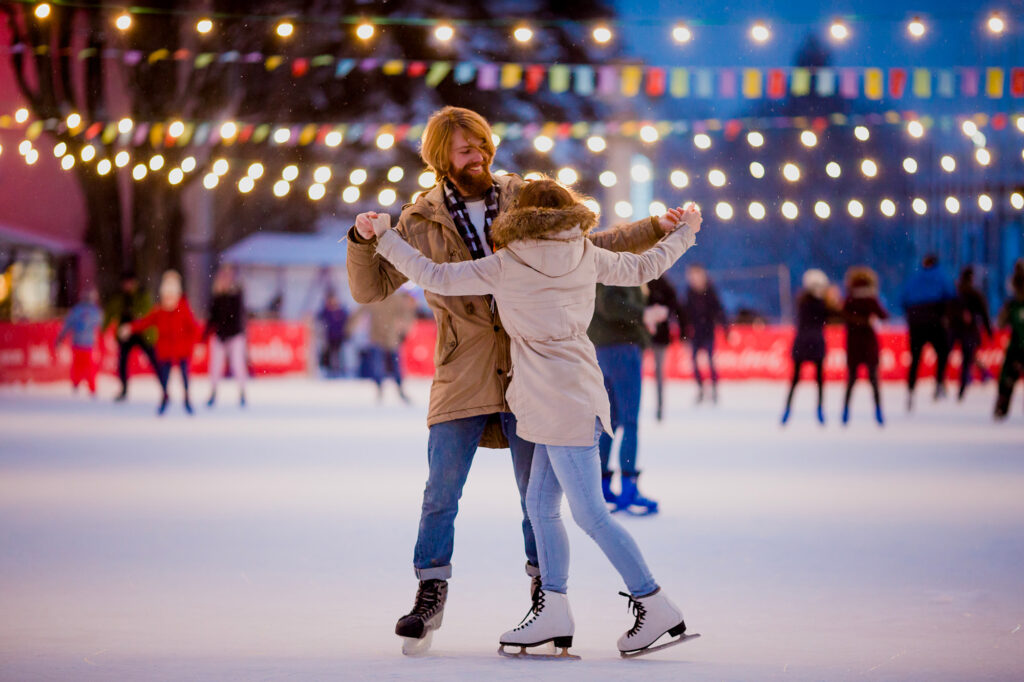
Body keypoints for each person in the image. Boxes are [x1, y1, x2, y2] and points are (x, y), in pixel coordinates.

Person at [347, 106, 686, 654]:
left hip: (533, 380)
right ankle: (452, 592)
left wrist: (655, 228)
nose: (478, 155)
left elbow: (598, 245)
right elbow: (373, 290)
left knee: (556, 506)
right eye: (465, 149)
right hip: (470, 369)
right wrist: (367, 240)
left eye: (482, 144)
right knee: (461, 494)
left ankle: (576, 596)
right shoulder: (420, 219)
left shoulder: (522, 203)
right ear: (441, 158)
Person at [589, 284, 658, 515]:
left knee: (611, 421)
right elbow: (609, 304)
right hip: (621, 348)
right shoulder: (617, 264)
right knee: (628, 421)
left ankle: (602, 487)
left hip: (603, 348)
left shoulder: (600, 260)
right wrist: (643, 313)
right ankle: (628, 488)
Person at [120, 270, 200, 416]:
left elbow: (193, 328)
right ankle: (165, 397)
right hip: (165, 350)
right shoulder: (159, 311)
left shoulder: (183, 308)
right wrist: (130, 328)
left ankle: (187, 399)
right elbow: (145, 322)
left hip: (182, 349)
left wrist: (197, 344)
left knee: (184, 375)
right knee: (163, 376)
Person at [782, 269, 838, 425]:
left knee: (796, 380)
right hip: (815, 344)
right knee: (818, 380)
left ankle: (788, 409)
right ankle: (819, 410)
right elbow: (834, 316)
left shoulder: (802, 302)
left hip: (802, 344)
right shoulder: (818, 304)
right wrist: (832, 300)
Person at [901, 254, 955, 409]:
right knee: (943, 352)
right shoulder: (941, 275)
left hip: (916, 319)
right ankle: (939, 383)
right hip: (934, 318)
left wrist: (911, 316)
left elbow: (903, 298)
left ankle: (911, 390)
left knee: (915, 358)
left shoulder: (914, 277)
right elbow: (951, 295)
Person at [350, 287, 418, 403]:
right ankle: (382, 389)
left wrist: (404, 329)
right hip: (381, 337)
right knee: (381, 365)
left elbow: (406, 314)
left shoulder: (388, 299)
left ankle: (396, 389)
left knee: (391, 365)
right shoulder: (380, 298)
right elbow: (360, 312)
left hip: (389, 337)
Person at [841, 267, 888, 426]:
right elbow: (884, 315)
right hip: (869, 343)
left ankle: (845, 411)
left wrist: (856, 320)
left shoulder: (849, 299)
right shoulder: (871, 300)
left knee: (851, 379)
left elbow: (843, 317)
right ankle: (878, 411)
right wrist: (867, 320)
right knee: (874, 380)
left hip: (853, 343)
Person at [104, 271, 159, 401]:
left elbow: (146, 311)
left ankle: (163, 386)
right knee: (122, 362)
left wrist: (133, 315)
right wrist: (104, 328)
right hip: (125, 333)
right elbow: (110, 312)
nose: (127, 286)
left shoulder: (142, 295)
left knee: (154, 359)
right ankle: (123, 389)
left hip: (142, 333)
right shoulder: (119, 297)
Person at [644, 276, 687, 422]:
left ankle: (658, 408)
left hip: (653, 337)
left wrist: (683, 333)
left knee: (657, 374)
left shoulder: (663, 286)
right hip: (644, 337)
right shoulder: (647, 283)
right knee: (656, 374)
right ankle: (655, 407)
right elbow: (678, 310)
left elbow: (677, 310)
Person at [204, 265, 248, 407]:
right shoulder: (217, 297)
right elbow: (212, 318)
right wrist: (204, 336)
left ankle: (242, 392)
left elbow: (236, 319)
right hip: (220, 335)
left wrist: (228, 333)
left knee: (237, 363)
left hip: (234, 335)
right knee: (215, 365)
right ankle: (213, 391)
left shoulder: (236, 296)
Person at [683, 265, 727, 404]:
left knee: (710, 361)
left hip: (708, 332)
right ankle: (701, 388)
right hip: (695, 333)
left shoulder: (710, 291)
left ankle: (714, 388)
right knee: (694, 362)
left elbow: (719, 310)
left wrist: (726, 328)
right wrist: (684, 332)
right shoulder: (689, 293)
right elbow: (685, 314)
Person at [950, 266, 993, 401]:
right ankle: (965, 383)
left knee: (954, 355)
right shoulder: (974, 293)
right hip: (969, 330)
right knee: (967, 358)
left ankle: (946, 384)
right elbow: (984, 312)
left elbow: (948, 309)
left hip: (956, 329)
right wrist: (988, 329)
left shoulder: (956, 292)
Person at [56, 288, 103, 396]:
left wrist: (60, 338)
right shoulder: (94, 311)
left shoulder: (76, 310)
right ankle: (91, 387)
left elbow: (67, 325)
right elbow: (101, 324)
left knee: (77, 365)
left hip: (77, 342)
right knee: (89, 366)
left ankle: (76, 384)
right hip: (88, 344)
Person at [994, 259, 1024, 420]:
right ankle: (1001, 406)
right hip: (1017, 343)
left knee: (1007, 376)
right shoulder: (1012, 304)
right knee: (1007, 375)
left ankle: (1001, 407)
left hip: (1016, 345)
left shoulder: (1012, 304)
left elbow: (1000, 323)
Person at [317, 292, 348, 378]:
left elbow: (347, 321)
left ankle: (340, 371)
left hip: (339, 337)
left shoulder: (341, 311)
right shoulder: (326, 311)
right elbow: (318, 318)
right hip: (329, 337)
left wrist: (347, 333)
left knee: (339, 354)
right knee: (329, 354)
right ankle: (330, 371)